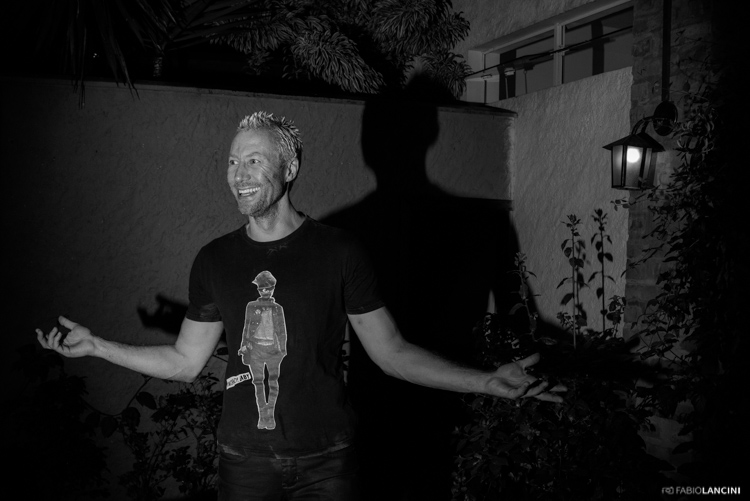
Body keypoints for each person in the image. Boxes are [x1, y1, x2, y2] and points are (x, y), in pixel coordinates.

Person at [37, 111, 565, 501]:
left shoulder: (339, 251)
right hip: (243, 464)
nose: (238, 174)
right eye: (232, 161)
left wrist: (485, 382)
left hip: (327, 463)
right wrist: (98, 347)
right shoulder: (214, 259)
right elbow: (184, 361)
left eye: (254, 161)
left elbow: (392, 353)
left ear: (289, 168)